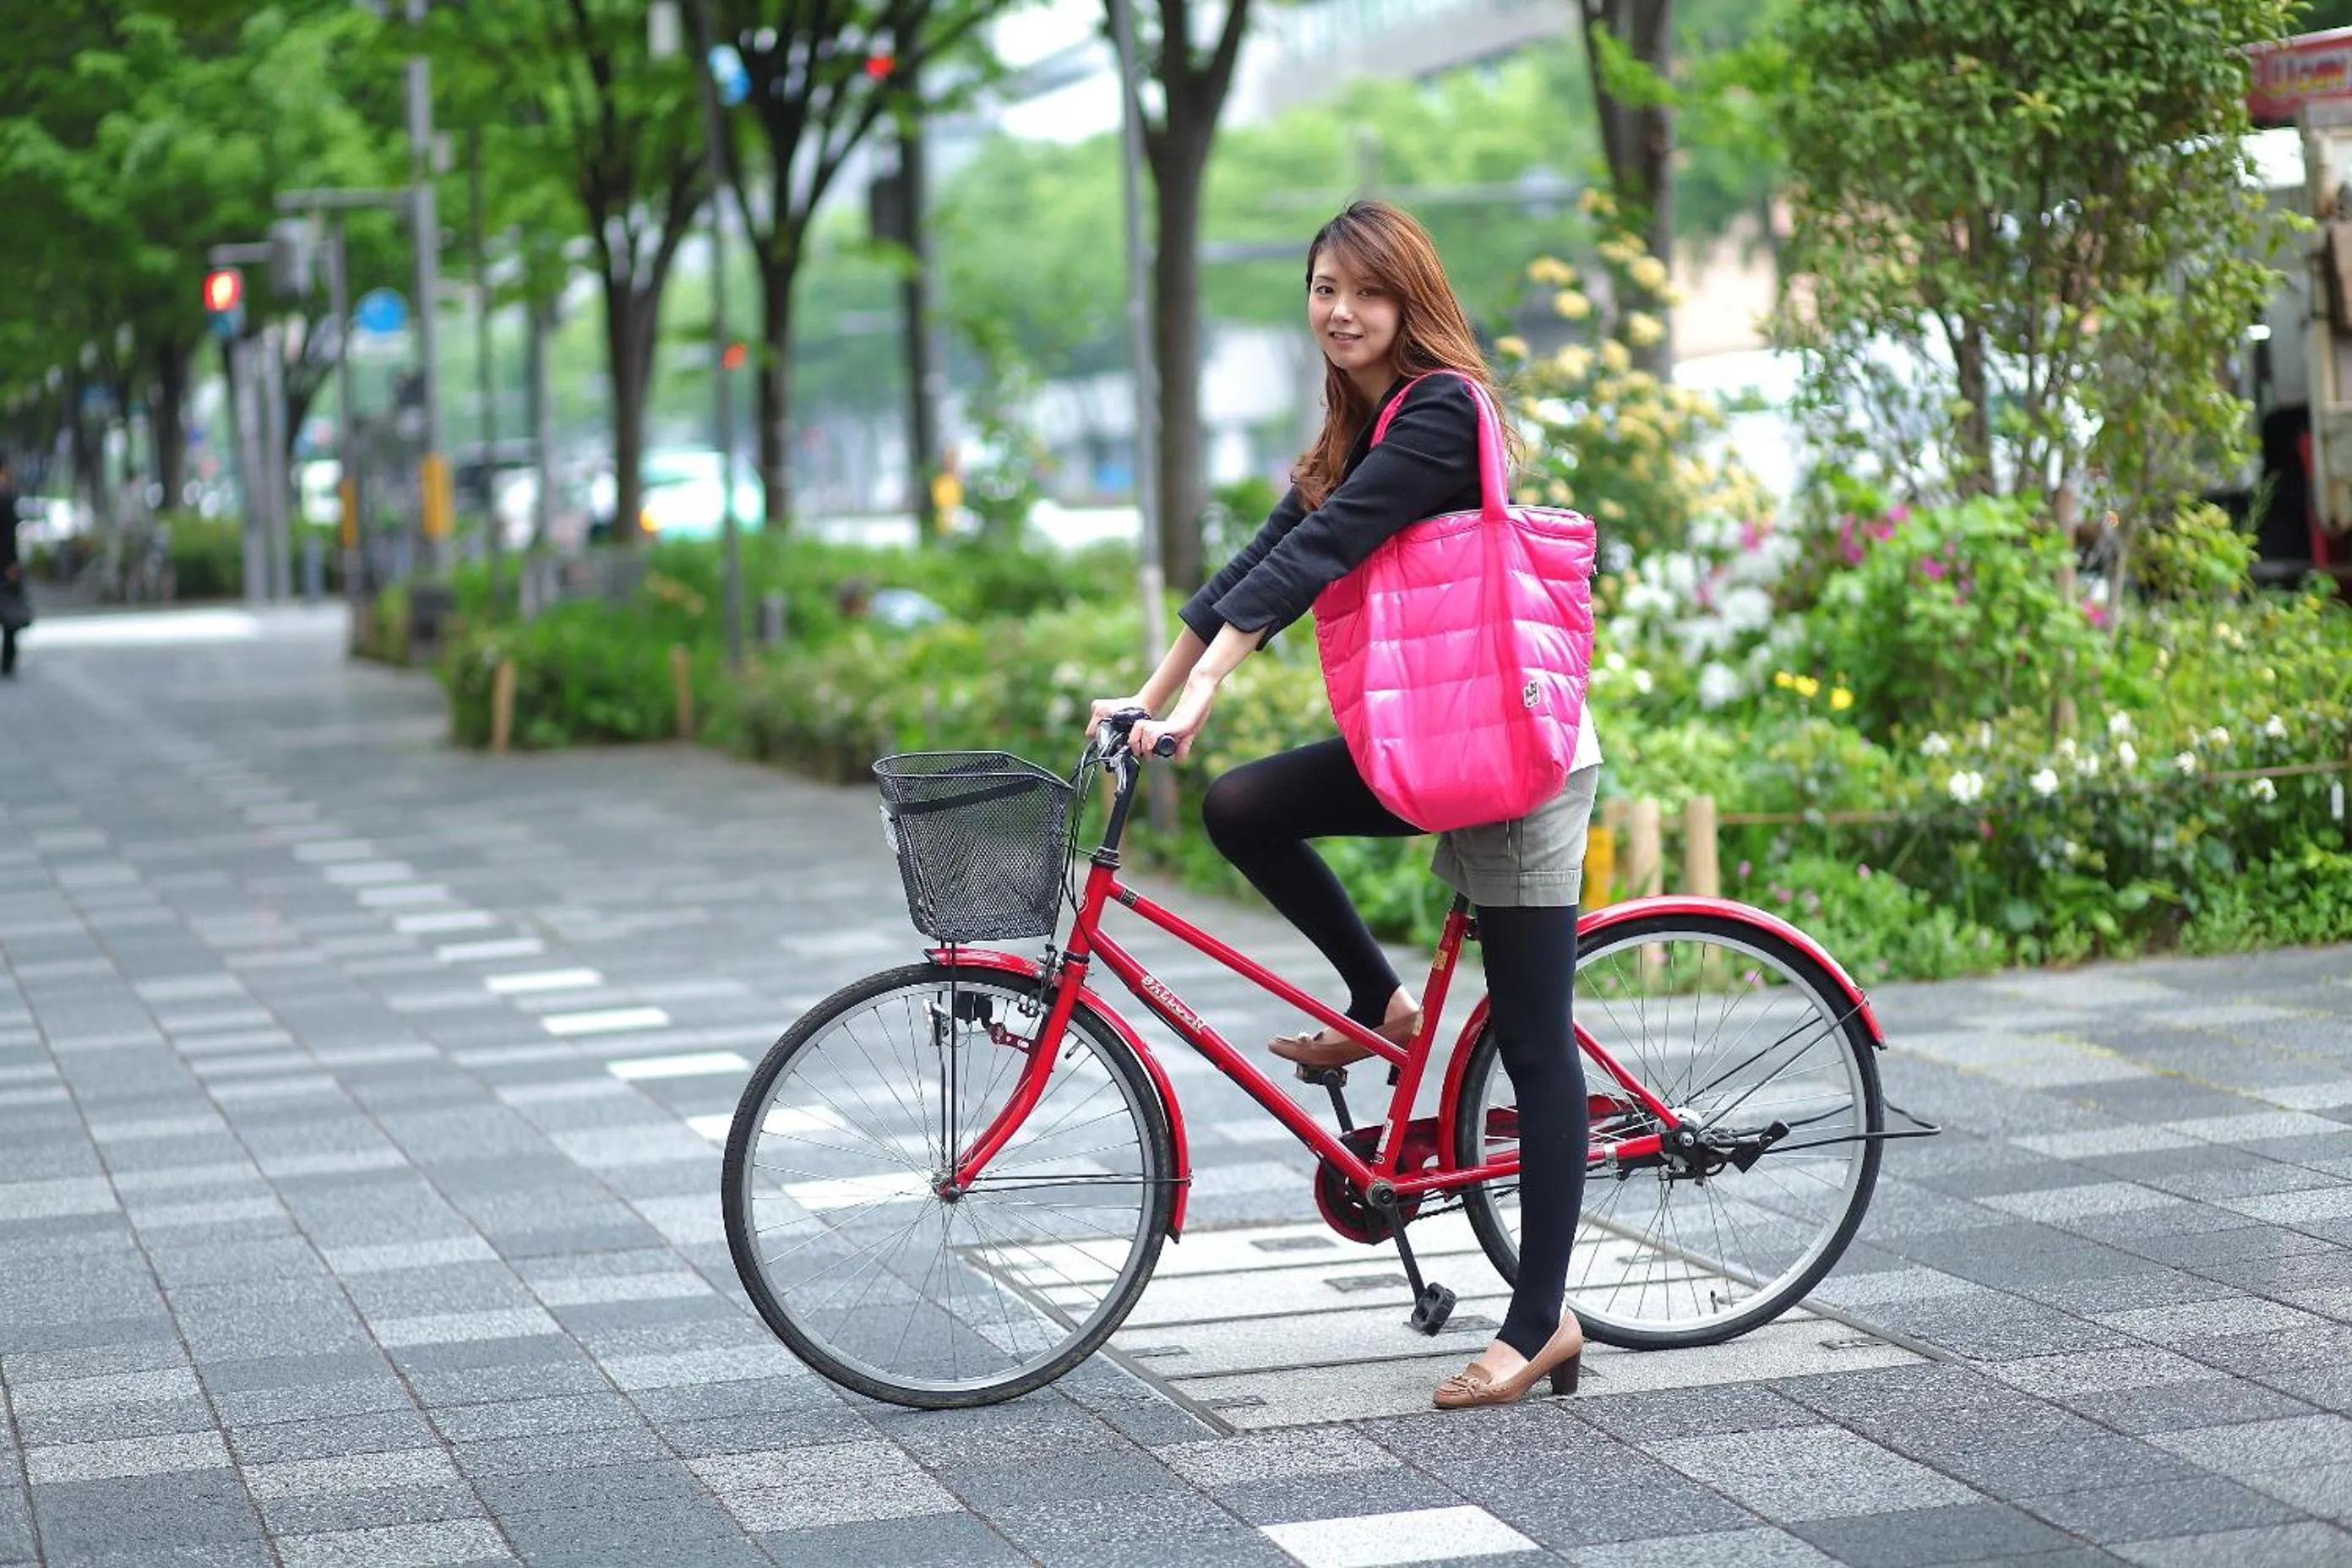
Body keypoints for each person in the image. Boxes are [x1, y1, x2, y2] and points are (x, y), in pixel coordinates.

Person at [1090, 200, 1603, 1409]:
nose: (1339, 310)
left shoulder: (1438, 413)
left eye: (1364, 292)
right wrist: (1149, 692)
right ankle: (1379, 994)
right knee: (1245, 807)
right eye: (1323, 287)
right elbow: (1253, 564)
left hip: (1516, 754)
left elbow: (1318, 561)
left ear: (1408, 299)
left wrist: (1208, 688)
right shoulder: (1354, 424)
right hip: (1431, 743)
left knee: (1531, 1043)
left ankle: (1541, 1320)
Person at [0, 457, 25, 678]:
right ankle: (7, 661)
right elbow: (11, 535)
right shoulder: (6, 495)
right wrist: (12, 563)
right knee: (9, 615)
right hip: (5, 565)